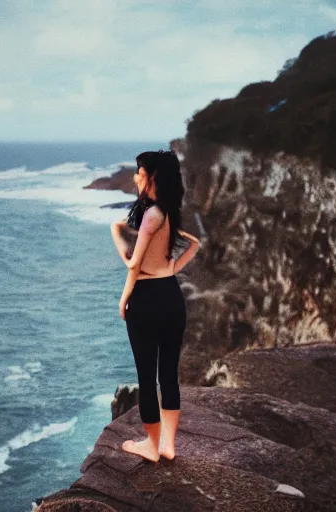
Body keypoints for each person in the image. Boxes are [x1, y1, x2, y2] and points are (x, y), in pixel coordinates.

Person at [110, 150, 200, 463]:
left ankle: (151, 445)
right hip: (171, 297)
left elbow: (134, 265)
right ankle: (169, 446)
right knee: (169, 376)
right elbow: (194, 244)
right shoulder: (167, 212)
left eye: (139, 172)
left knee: (147, 377)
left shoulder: (150, 215)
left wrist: (123, 299)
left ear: (151, 177)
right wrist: (173, 267)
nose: (135, 176)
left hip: (146, 298)